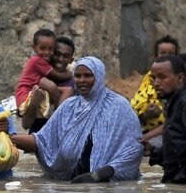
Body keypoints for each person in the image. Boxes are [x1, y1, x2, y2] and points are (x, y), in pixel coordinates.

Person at [11, 56, 143, 182]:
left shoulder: (119, 106)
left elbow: (134, 148)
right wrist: (7, 138)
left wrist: (100, 175)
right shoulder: (69, 106)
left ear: (99, 76)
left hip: (107, 187)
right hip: (71, 186)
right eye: (78, 76)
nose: (82, 80)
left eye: (88, 75)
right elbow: (42, 141)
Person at [15, 29, 74, 132]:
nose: (60, 59)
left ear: (71, 60)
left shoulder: (74, 84)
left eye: (65, 56)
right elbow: (26, 124)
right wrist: (34, 103)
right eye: (56, 53)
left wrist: (52, 89)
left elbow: (67, 119)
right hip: (35, 141)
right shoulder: (41, 74)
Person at [143, 55, 186, 183]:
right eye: (153, 78)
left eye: (162, 77)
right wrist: (153, 152)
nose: (156, 83)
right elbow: (178, 149)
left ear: (180, 78)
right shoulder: (172, 103)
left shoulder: (183, 104)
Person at [130, 35, 179, 147]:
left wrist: (145, 138)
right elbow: (136, 112)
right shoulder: (148, 82)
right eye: (162, 54)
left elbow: (174, 122)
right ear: (155, 56)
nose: (166, 58)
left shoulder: (179, 85)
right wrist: (145, 115)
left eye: (171, 54)